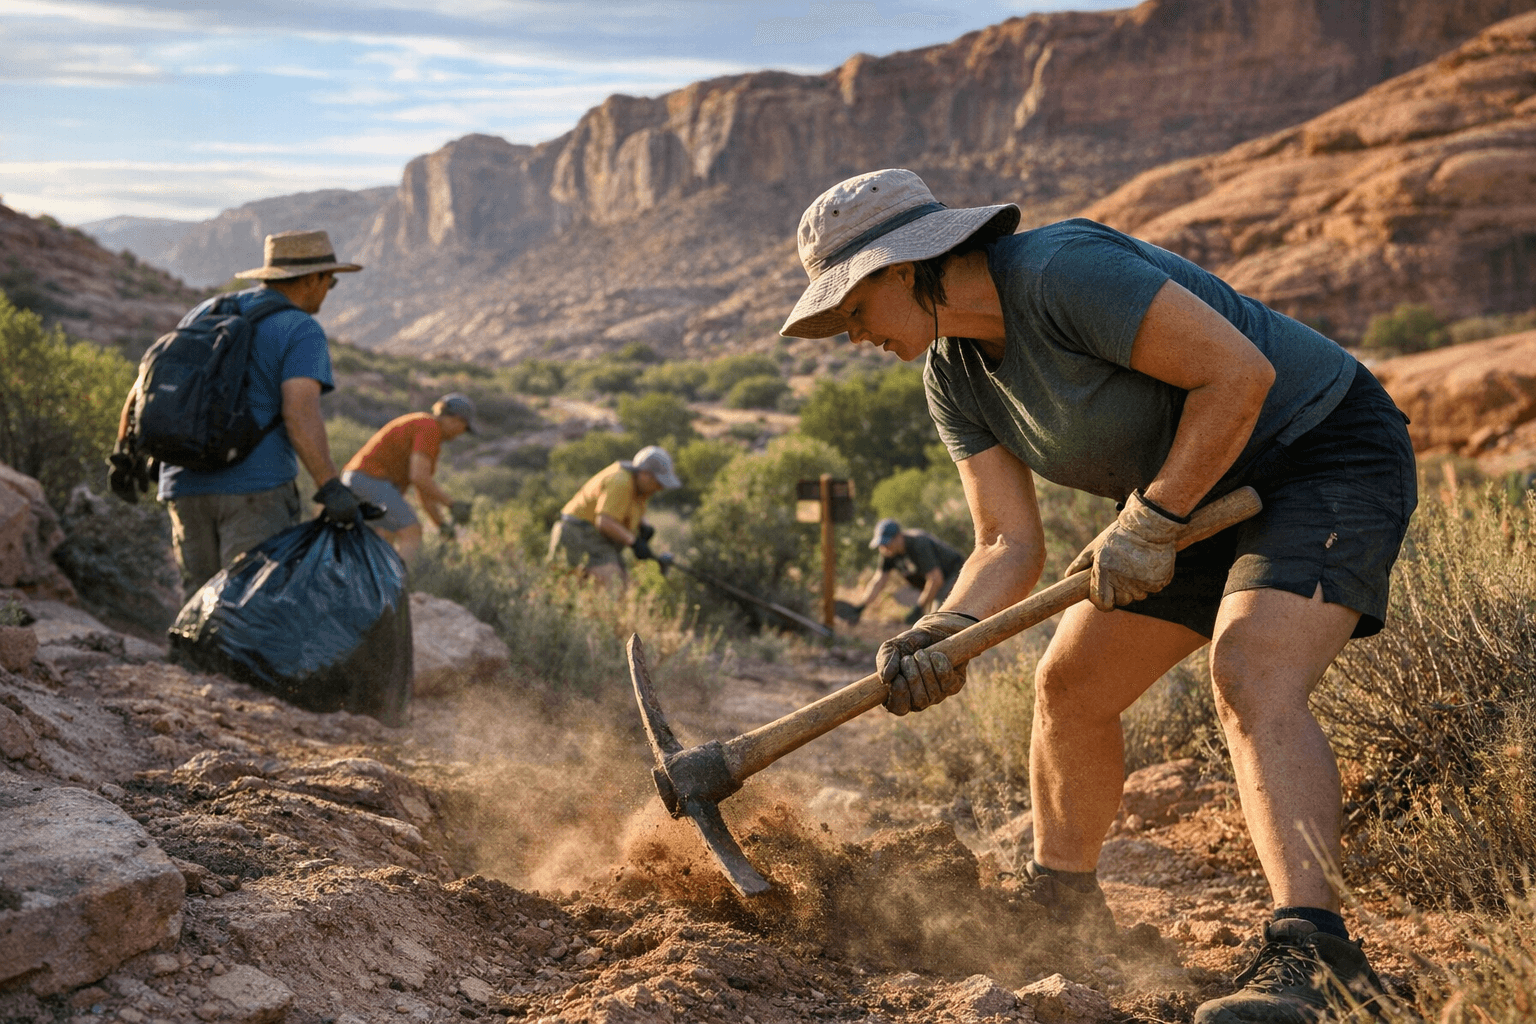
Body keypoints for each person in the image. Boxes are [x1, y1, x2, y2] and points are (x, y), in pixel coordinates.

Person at [779, 168, 1416, 1024]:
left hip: (1319, 450)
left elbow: (1239, 377)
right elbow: (1006, 542)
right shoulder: (953, 376)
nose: (850, 334)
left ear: (902, 268)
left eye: (850, 308)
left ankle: (1321, 961)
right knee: (1070, 687)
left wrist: (1150, 519)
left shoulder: (1061, 272)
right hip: (1183, 493)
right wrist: (944, 629)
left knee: (1252, 670)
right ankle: (1061, 910)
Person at [136, 230, 366, 597]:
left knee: (198, 604)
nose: (329, 290)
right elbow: (300, 412)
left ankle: (187, 659)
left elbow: (148, 381)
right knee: (251, 606)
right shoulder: (301, 328)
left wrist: (128, 451)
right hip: (256, 489)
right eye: (331, 281)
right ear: (313, 279)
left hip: (183, 484)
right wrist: (330, 487)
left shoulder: (205, 311)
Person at [341, 394, 475, 566]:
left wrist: (440, 524)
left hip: (358, 480)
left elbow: (422, 489)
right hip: (369, 480)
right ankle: (394, 586)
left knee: (385, 536)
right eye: (464, 427)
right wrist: (451, 504)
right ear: (456, 420)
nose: (461, 433)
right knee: (411, 531)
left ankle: (367, 585)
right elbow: (418, 477)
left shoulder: (426, 428)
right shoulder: (429, 427)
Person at [548, 445, 680, 588]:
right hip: (580, 533)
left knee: (618, 588)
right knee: (614, 587)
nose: (660, 487)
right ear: (645, 474)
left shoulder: (640, 488)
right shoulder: (621, 481)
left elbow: (633, 508)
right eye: (658, 481)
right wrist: (634, 543)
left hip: (595, 538)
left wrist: (644, 526)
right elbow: (604, 521)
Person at [848, 517, 966, 625]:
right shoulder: (889, 552)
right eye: (881, 544)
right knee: (930, 619)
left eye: (887, 543)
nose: (883, 548)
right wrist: (862, 607)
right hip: (937, 581)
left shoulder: (918, 544)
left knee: (937, 619)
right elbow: (879, 581)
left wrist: (919, 608)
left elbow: (936, 579)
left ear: (899, 537)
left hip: (955, 574)